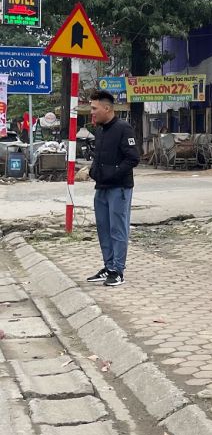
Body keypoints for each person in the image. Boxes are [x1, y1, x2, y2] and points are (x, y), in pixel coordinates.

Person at [85, 90, 140, 287]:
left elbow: (133, 158)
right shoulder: (99, 130)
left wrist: (113, 173)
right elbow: (98, 157)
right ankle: (108, 267)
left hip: (119, 188)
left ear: (107, 108)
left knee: (118, 229)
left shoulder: (123, 128)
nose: (92, 112)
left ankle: (118, 270)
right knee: (103, 228)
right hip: (101, 188)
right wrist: (93, 172)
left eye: (94, 108)